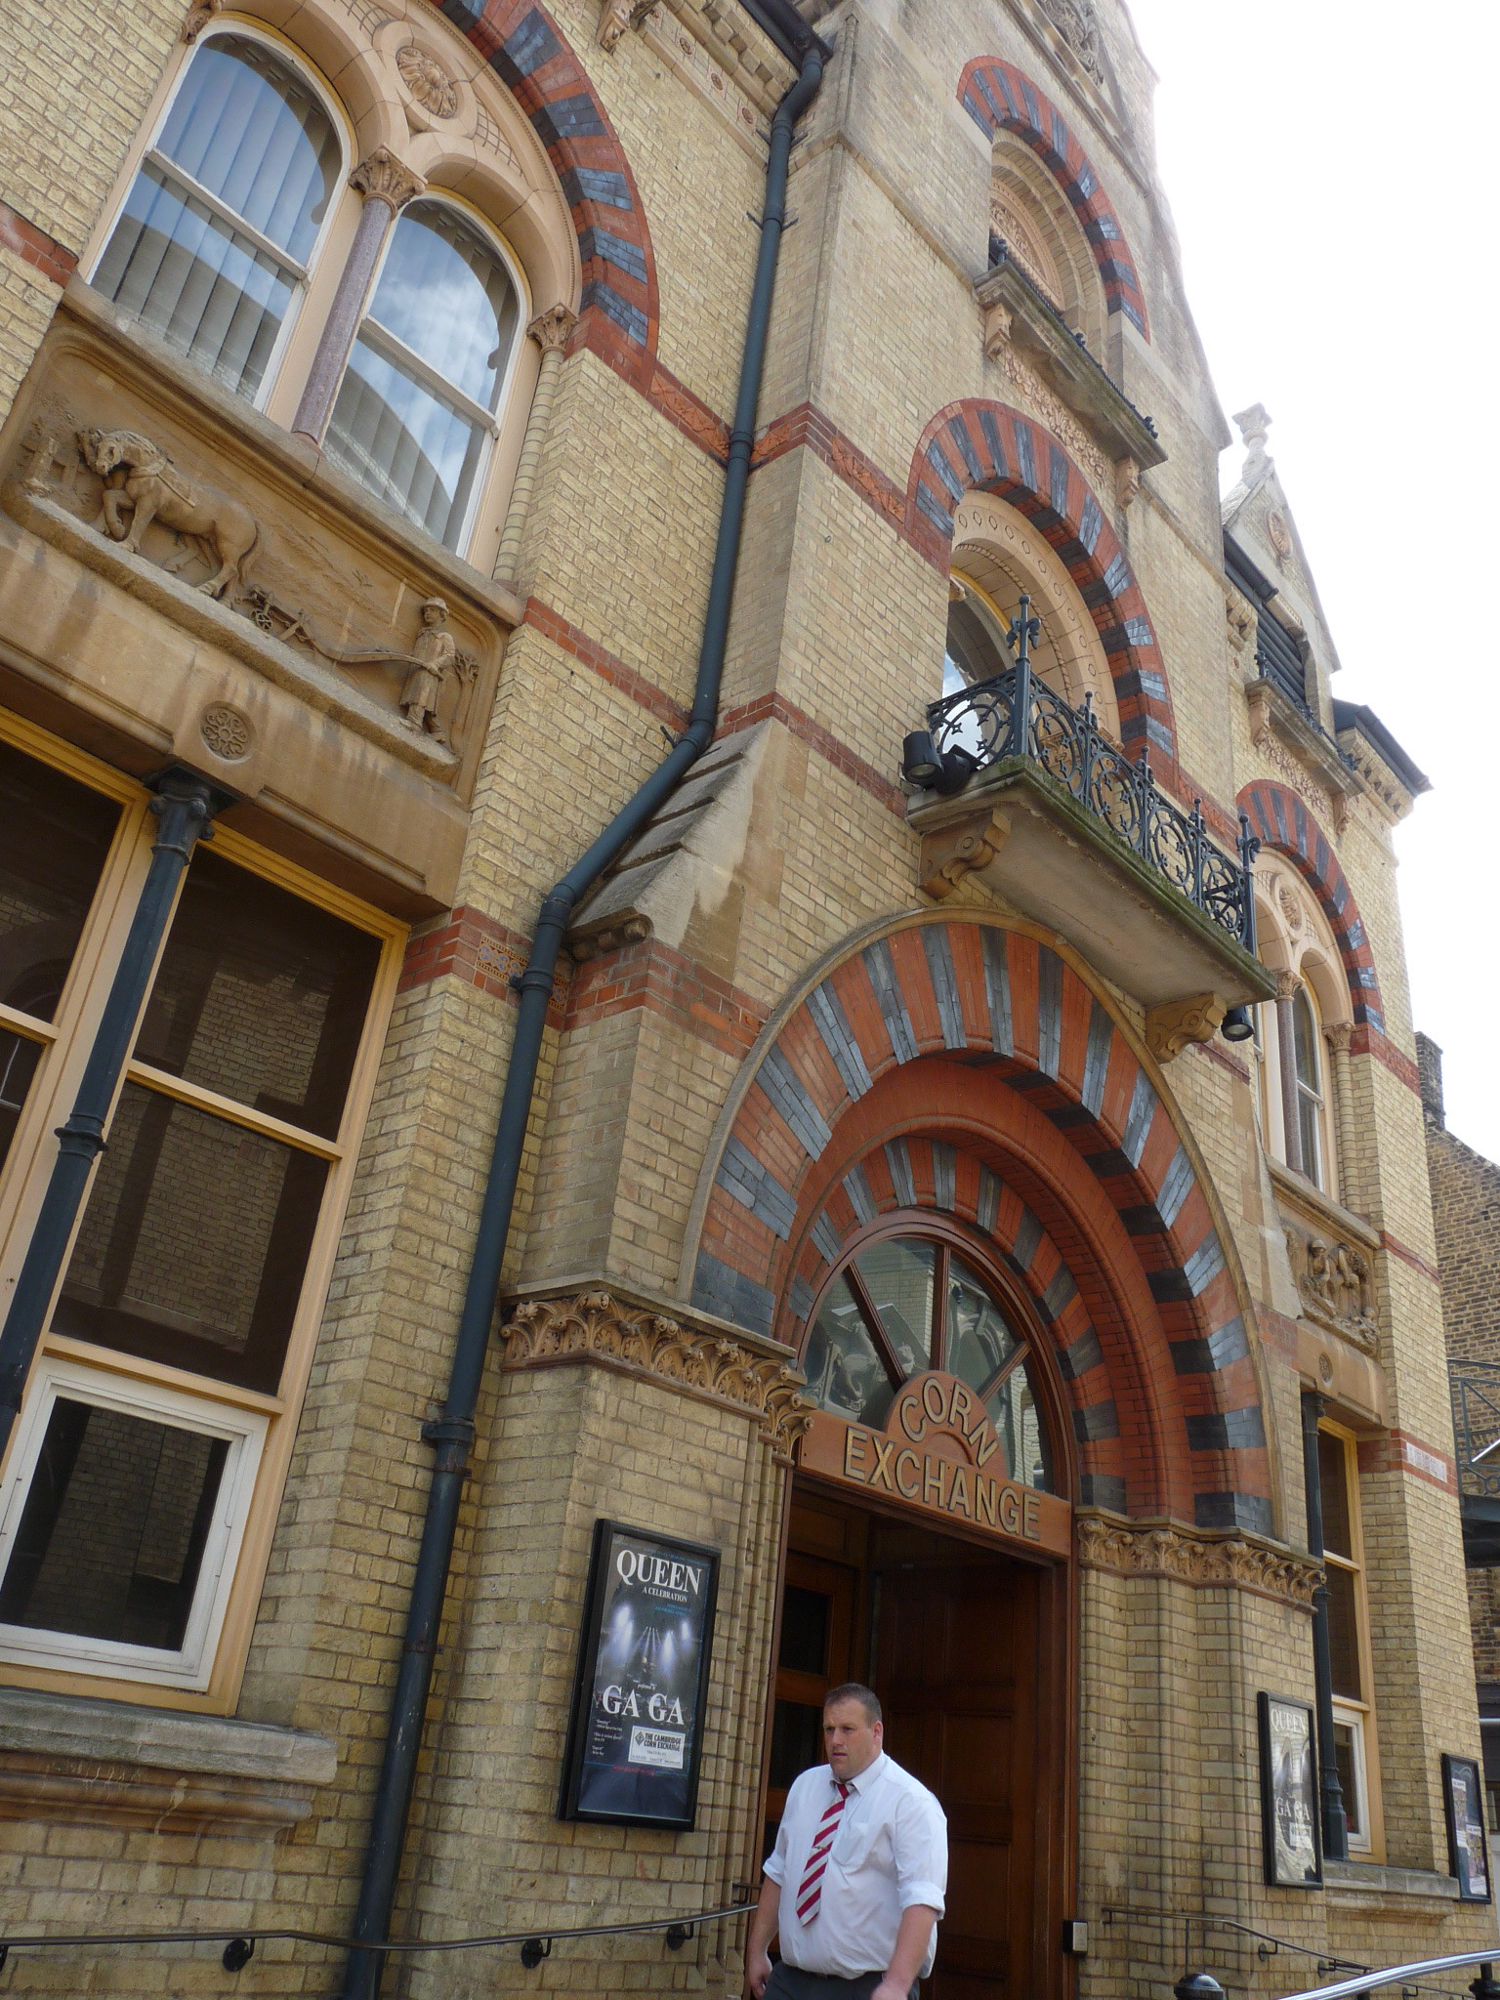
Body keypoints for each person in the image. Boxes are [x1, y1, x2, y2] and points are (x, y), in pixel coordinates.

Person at [747, 1683, 947, 2000]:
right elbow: (780, 1871)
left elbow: (922, 1901)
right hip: (790, 1980)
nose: (835, 1740)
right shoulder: (805, 1786)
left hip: (863, 1987)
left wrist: (895, 1985)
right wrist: (757, 1950)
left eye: (847, 1729)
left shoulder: (911, 1802)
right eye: (829, 1729)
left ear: (876, 1731)